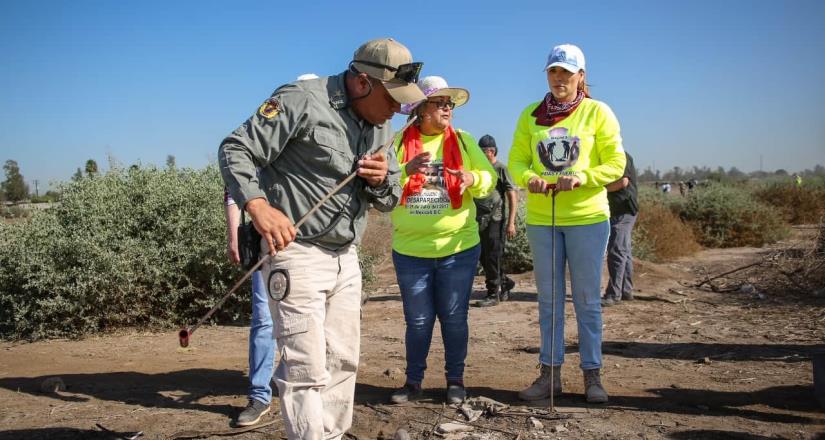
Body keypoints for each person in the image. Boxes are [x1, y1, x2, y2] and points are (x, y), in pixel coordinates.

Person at [219, 38, 425, 439]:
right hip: (296, 254)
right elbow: (236, 148)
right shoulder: (300, 100)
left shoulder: (380, 122)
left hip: (346, 257)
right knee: (305, 367)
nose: (399, 108)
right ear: (363, 83)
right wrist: (258, 207)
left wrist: (383, 181)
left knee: (343, 362)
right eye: (393, 97)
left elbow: (390, 196)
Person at [508, 44, 625, 404]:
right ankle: (550, 376)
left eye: (566, 72)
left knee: (587, 301)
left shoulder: (597, 112)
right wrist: (529, 179)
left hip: (588, 218)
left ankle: (593, 376)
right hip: (544, 220)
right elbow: (517, 161)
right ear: (547, 75)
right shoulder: (530, 115)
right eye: (553, 72)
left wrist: (583, 178)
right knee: (550, 301)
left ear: (581, 77)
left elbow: (616, 164)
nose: (559, 78)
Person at [387, 75, 496, 405]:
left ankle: (455, 381)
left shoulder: (463, 141)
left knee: (454, 318)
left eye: (450, 103)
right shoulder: (396, 141)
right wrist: (406, 168)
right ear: (421, 108)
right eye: (440, 102)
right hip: (410, 250)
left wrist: (472, 176)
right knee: (418, 322)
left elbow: (488, 180)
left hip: (458, 249)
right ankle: (413, 382)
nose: (448, 108)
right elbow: (382, 182)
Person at [474, 134, 518, 307]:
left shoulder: (501, 168)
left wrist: (511, 222)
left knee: (493, 257)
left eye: (482, 151)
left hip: (496, 219)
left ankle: (493, 294)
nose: (478, 155)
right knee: (482, 257)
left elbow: (512, 195)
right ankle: (505, 283)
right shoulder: (478, 169)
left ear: (491, 152)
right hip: (478, 220)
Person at [601, 151, 639, 307]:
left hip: (623, 210)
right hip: (617, 210)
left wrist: (599, 190)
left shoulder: (619, 155)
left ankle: (613, 294)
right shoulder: (606, 156)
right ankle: (625, 290)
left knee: (617, 251)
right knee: (624, 251)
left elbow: (623, 182)